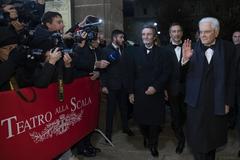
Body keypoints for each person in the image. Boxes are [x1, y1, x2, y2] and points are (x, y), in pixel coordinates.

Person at [182, 17, 235, 160]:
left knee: (212, 139)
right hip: (196, 102)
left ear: (216, 32)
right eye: (201, 32)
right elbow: (180, 77)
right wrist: (185, 61)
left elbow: (232, 78)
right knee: (197, 139)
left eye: (207, 32)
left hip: (217, 101)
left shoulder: (229, 49)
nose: (203, 35)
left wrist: (228, 102)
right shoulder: (190, 48)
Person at [128, 25, 171, 157]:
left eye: (149, 34)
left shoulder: (163, 52)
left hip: (156, 93)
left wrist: (156, 87)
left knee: (154, 122)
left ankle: (153, 144)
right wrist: (130, 92)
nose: (146, 37)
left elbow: (165, 73)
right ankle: (145, 137)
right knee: (142, 121)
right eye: (143, 34)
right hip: (140, 92)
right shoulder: (134, 52)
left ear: (154, 37)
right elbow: (131, 73)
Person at [71, 17, 109, 157]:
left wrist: (98, 71)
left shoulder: (95, 48)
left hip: (91, 90)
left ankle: (88, 144)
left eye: (95, 34)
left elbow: (99, 65)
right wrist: (95, 65)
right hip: (79, 91)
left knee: (89, 118)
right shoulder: (79, 47)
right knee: (81, 119)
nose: (95, 37)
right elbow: (77, 63)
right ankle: (82, 147)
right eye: (92, 34)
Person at [101, 29, 134, 142]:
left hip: (123, 85)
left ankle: (126, 128)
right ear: (114, 38)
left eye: (123, 38)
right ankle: (108, 135)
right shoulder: (105, 50)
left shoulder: (124, 49)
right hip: (111, 86)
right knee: (110, 111)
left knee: (124, 109)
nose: (123, 39)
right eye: (121, 37)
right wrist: (104, 85)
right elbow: (103, 70)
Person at [165, 22, 186, 154]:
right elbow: (162, 72)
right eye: (173, 31)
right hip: (171, 89)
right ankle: (181, 140)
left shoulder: (190, 47)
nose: (176, 34)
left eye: (178, 31)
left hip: (189, 89)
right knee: (176, 116)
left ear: (182, 33)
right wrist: (164, 89)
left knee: (186, 115)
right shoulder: (164, 50)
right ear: (170, 34)